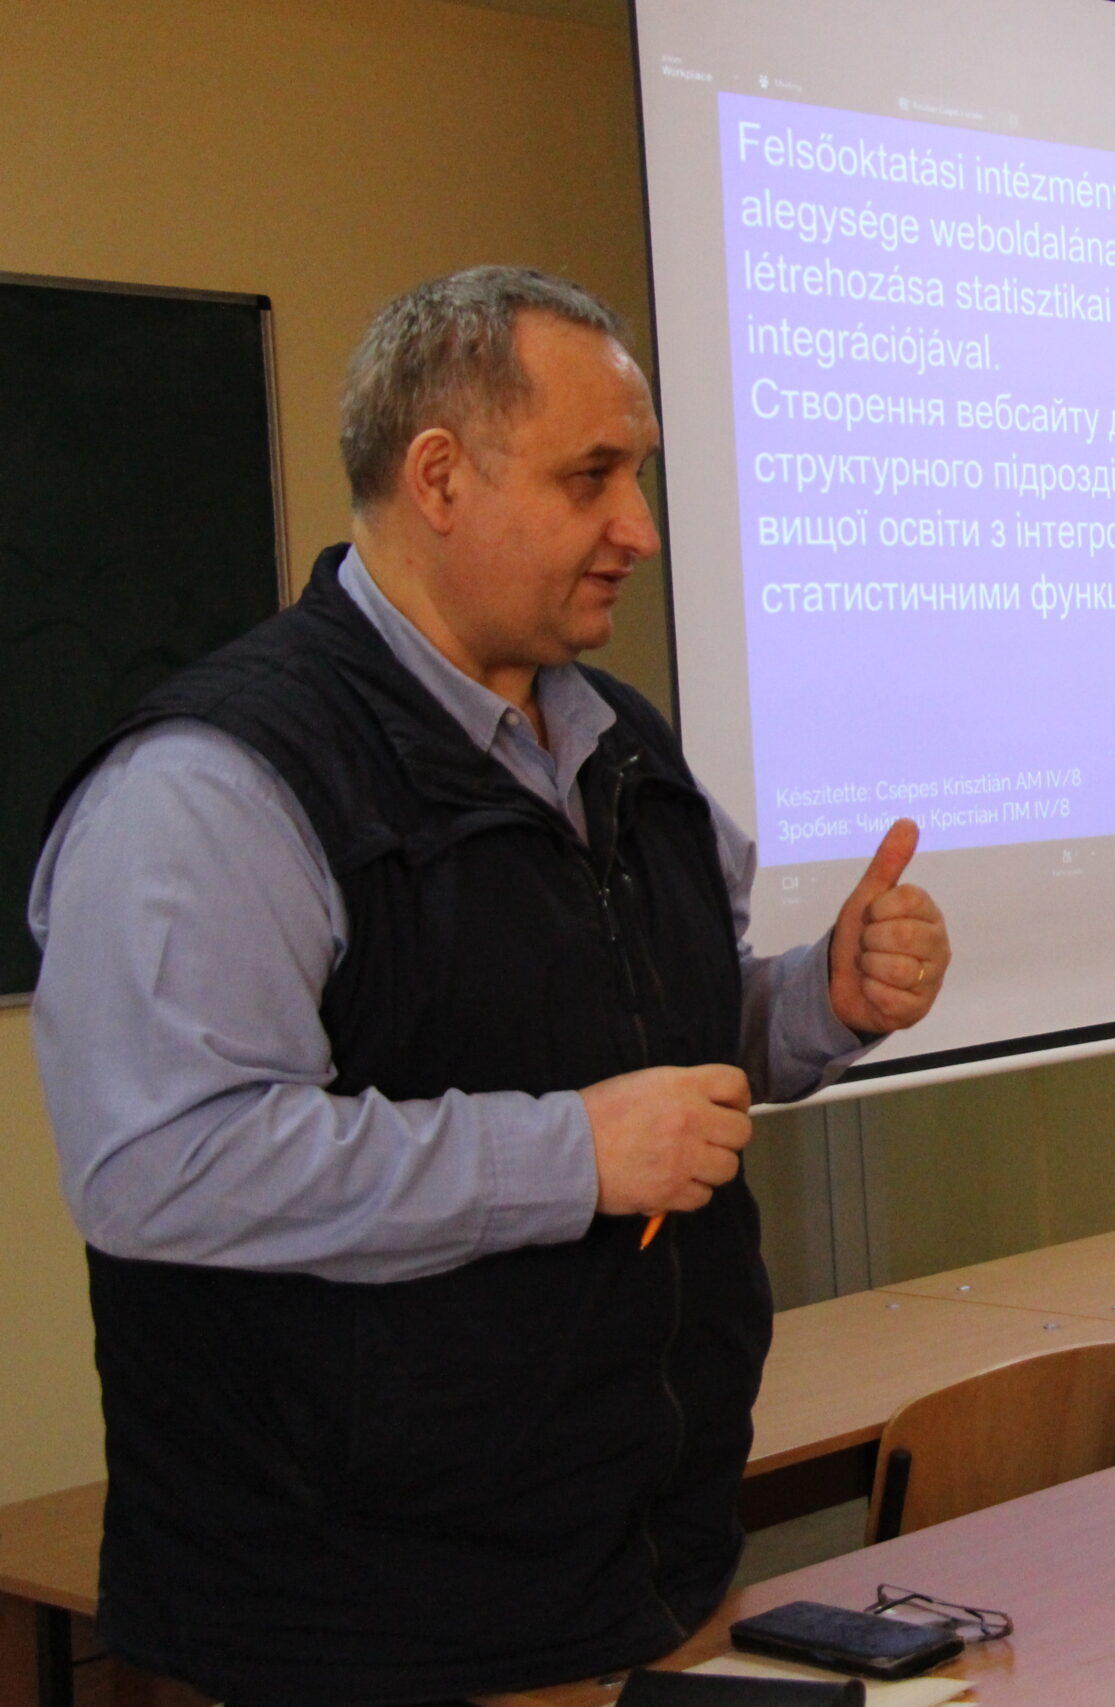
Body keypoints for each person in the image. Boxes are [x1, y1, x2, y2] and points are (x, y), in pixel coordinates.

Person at [27, 267, 952, 1707]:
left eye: (638, 476)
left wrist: (815, 1001)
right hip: (359, 1637)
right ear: (440, 477)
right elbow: (163, 1167)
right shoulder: (212, 788)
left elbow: (661, 1048)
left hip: (644, 1574)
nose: (639, 528)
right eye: (594, 477)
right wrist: (568, 1155)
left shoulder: (622, 743)